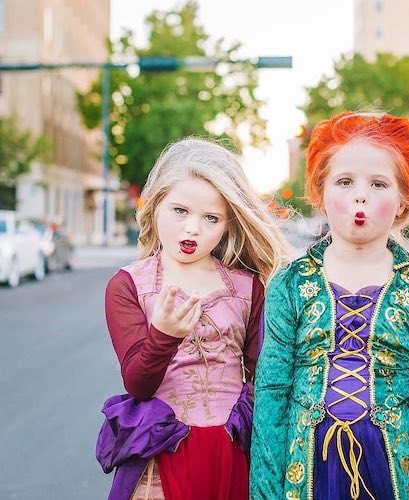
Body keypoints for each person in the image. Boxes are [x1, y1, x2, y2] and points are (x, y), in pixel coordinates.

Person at [251, 111, 409, 500]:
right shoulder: (290, 284)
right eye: (344, 181)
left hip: (395, 467)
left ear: (402, 202)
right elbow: (271, 393)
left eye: (379, 184)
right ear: (320, 194)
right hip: (308, 468)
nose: (359, 195)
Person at [95, 137, 289, 500]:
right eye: (179, 211)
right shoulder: (127, 286)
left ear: (228, 223)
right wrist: (164, 335)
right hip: (161, 457)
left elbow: (264, 377)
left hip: (232, 451)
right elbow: (139, 384)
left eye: (210, 218)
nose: (192, 229)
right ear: (154, 207)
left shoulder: (249, 288)